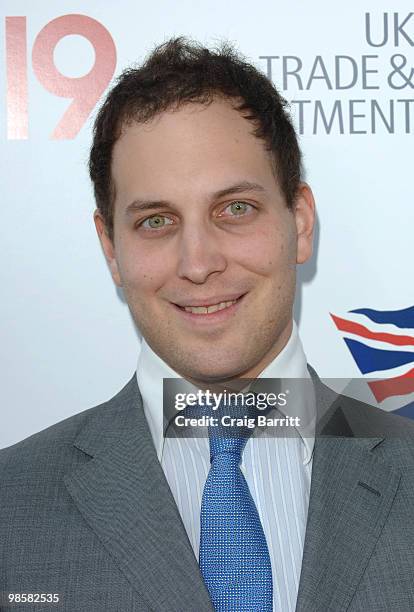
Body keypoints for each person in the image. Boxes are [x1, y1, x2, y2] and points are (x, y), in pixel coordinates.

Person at [1, 37, 414, 612]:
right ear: (111, 249)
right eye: (156, 220)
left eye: (235, 209)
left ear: (300, 222)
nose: (198, 263)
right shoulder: (10, 505)